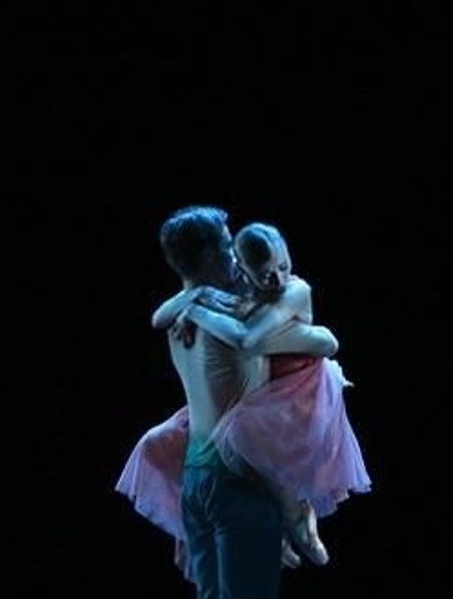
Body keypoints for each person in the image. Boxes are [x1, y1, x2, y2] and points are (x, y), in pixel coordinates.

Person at [150, 206, 341, 599]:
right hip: (239, 483)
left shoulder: (184, 318)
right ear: (207, 258)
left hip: (200, 480)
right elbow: (313, 340)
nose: (236, 258)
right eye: (228, 248)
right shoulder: (221, 317)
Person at [118, 222, 370, 568]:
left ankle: (295, 515)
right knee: (159, 442)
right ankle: (246, 524)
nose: (276, 280)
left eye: (282, 267)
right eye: (264, 274)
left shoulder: (292, 290)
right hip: (265, 388)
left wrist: (198, 310)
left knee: (238, 440)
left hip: (297, 386)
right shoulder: (242, 288)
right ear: (242, 264)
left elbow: (250, 339)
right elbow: (159, 318)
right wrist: (195, 297)